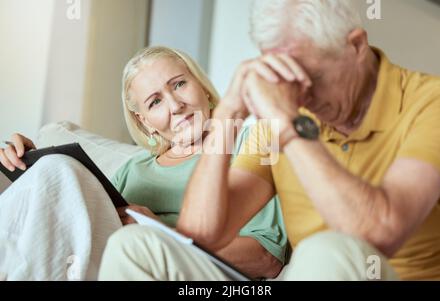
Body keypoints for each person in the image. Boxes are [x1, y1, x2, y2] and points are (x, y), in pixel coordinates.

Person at [103, 0, 440, 280]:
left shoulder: (436, 102)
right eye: (284, 73)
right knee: (133, 246)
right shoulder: (274, 126)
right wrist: (228, 115)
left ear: (356, 46)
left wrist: (289, 125)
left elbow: (380, 233)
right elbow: (201, 233)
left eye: (310, 75)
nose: (300, 94)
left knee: (325, 250)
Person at [0, 46, 287, 281]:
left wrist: (162, 231)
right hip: (104, 269)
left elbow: (267, 260)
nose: (176, 105)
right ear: (144, 122)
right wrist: (32, 170)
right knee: (53, 170)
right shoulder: (134, 170)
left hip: (196, 274)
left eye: (179, 84)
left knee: (58, 169)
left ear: (202, 86)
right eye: (155, 102)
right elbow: (75, 226)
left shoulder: (253, 143)